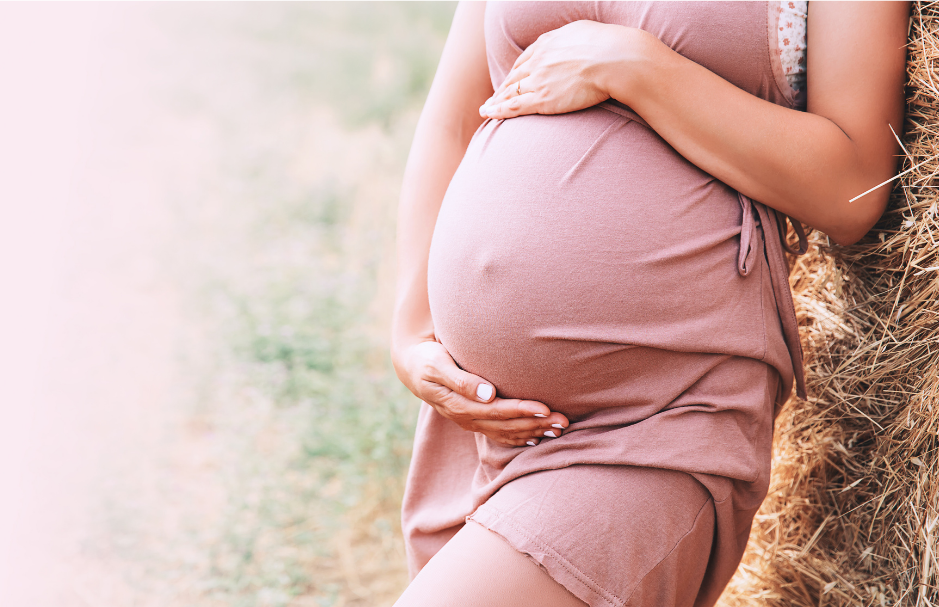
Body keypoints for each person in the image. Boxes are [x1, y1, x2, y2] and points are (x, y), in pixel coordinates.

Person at [390, 0, 909, 605]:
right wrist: (413, 331)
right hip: (477, 424)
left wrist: (636, 67)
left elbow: (852, 188)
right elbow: (454, 118)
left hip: (654, 417)